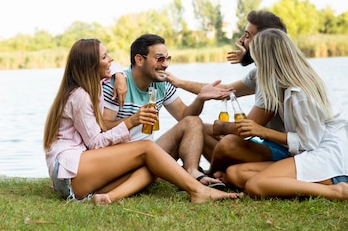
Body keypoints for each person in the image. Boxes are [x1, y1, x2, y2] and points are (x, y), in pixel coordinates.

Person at [43, 38, 240, 205]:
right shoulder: (81, 96)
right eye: (104, 57)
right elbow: (95, 142)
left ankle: (108, 198)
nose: (110, 59)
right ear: (90, 66)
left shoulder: (98, 84)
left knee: (154, 164)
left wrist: (118, 73)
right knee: (147, 148)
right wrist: (132, 121)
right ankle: (198, 190)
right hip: (69, 170)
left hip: (80, 172)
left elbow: (115, 66)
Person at [224, 29, 348, 206]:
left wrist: (263, 131)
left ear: (267, 62)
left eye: (257, 59)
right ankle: (298, 182)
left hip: (324, 159)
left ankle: (335, 190)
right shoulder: (284, 82)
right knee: (234, 174)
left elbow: (309, 143)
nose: (256, 66)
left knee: (255, 185)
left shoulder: (300, 93)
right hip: (306, 154)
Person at [101, 34, 232, 190]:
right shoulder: (117, 84)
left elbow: (185, 117)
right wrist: (134, 120)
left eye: (167, 59)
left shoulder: (161, 83)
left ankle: (192, 172)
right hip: (121, 158)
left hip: (150, 153)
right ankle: (158, 175)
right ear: (139, 60)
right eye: (159, 59)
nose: (165, 65)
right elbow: (103, 128)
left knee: (193, 121)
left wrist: (200, 98)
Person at [169, 11, 289, 176]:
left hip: (285, 152)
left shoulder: (274, 77)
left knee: (229, 143)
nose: (241, 40)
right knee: (199, 129)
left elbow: (246, 129)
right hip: (268, 145)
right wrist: (179, 83)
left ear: (264, 40)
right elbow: (224, 90)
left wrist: (223, 127)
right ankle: (209, 173)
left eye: (247, 36)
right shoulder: (260, 72)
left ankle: (211, 174)